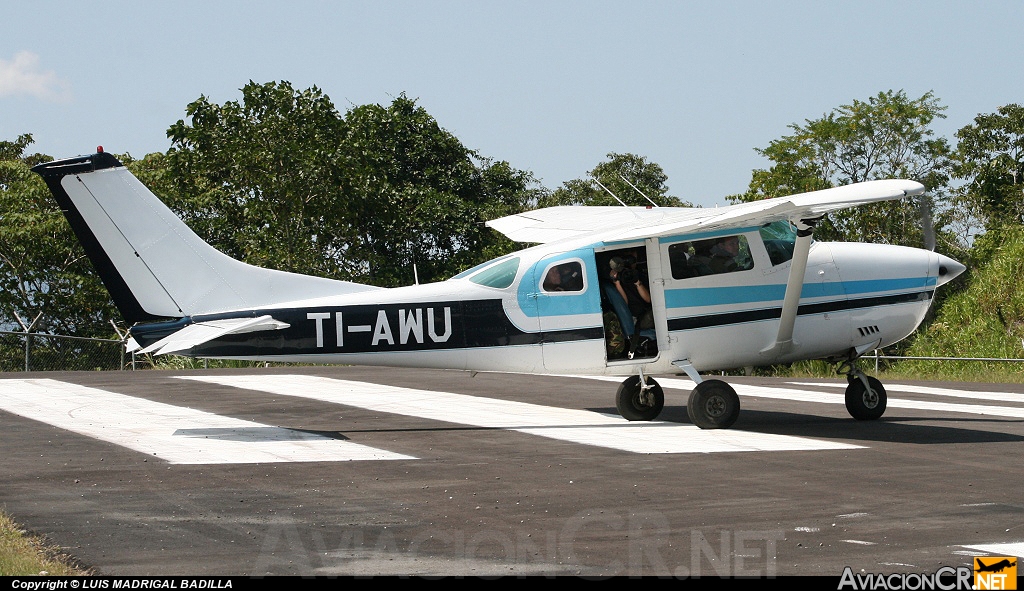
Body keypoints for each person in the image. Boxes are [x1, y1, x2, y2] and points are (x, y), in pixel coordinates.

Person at [605, 255, 655, 357]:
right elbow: (624, 304)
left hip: (645, 313)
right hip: (638, 318)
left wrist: (637, 282)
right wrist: (617, 283)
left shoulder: (639, 276)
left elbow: (648, 299)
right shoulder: (617, 283)